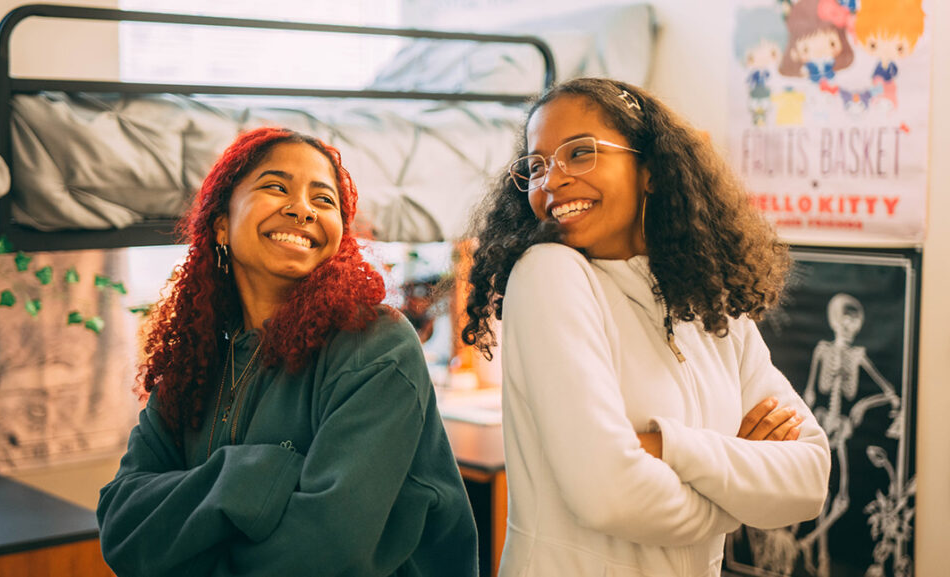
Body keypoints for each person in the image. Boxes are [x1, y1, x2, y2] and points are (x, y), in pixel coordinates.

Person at [461, 78, 831, 576]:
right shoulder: (550, 273)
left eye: (580, 153)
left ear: (650, 170)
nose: (552, 180)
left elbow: (809, 480)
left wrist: (667, 447)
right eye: (538, 164)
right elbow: (608, 494)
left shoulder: (709, 304)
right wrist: (740, 499)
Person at [98, 127, 479, 577]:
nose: (302, 209)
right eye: (276, 187)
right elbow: (121, 524)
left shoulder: (375, 343)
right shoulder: (194, 361)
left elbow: (330, 551)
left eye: (324, 200)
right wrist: (251, 476)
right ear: (221, 224)